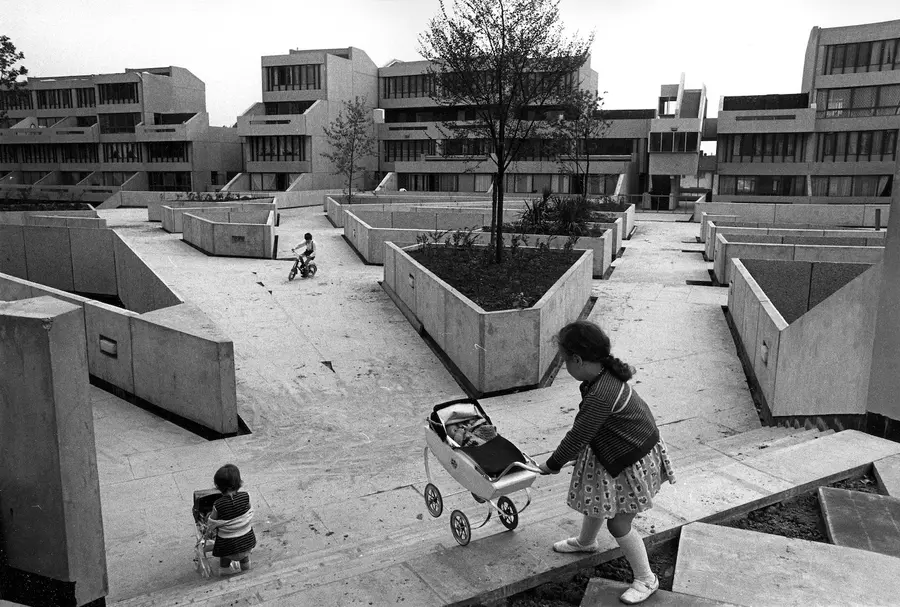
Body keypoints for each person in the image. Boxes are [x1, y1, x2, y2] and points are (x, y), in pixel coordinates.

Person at [538, 320, 675, 605]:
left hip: (633, 458)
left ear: (577, 359)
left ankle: (646, 578)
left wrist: (552, 464)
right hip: (619, 449)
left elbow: (578, 436)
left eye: (565, 361)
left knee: (619, 525)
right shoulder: (601, 377)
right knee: (598, 498)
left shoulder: (601, 393)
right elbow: (589, 431)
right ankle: (586, 543)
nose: (566, 366)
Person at [205, 464, 257, 575]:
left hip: (228, 547)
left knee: (225, 555)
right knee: (243, 552)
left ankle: (225, 570)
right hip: (247, 542)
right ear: (239, 483)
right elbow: (248, 511)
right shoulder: (246, 496)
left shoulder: (218, 504)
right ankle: (246, 567)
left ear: (217, 486)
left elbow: (212, 521)